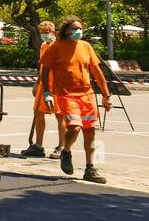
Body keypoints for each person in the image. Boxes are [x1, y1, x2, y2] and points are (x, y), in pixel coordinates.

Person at [39, 16, 112, 183]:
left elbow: (96, 71)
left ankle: (90, 168)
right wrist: (47, 92)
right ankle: (66, 151)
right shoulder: (56, 47)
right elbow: (45, 70)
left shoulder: (86, 46)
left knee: (90, 131)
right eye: (74, 28)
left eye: (80, 27)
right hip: (66, 94)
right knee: (75, 126)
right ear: (66, 31)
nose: (78, 31)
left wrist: (106, 95)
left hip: (87, 95)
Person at [21, 21, 65, 158]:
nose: (45, 35)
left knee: (60, 115)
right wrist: (37, 82)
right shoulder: (43, 46)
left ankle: (62, 147)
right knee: (38, 114)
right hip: (43, 85)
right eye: (42, 33)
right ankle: (39, 146)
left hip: (57, 85)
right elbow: (42, 67)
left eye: (47, 32)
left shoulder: (58, 45)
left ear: (53, 32)